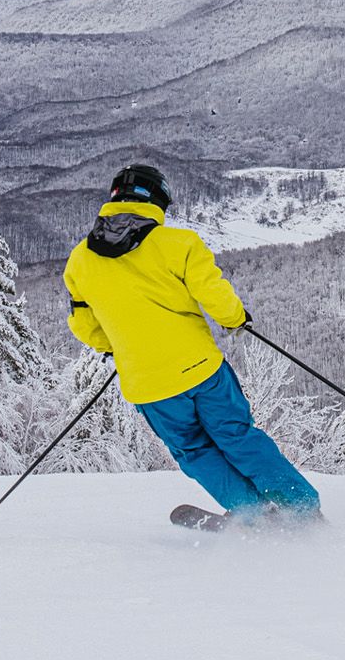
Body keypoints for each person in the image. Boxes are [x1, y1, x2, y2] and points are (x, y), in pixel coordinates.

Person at [65, 164, 321, 524]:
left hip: (148, 385)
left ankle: (252, 514)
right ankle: (301, 508)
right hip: (201, 369)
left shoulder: (79, 260)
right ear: (157, 200)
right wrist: (235, 319)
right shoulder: (178, 244)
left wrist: (118, 347)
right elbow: (214, 294)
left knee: (195, 451)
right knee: (236, 436)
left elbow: (83, 325)